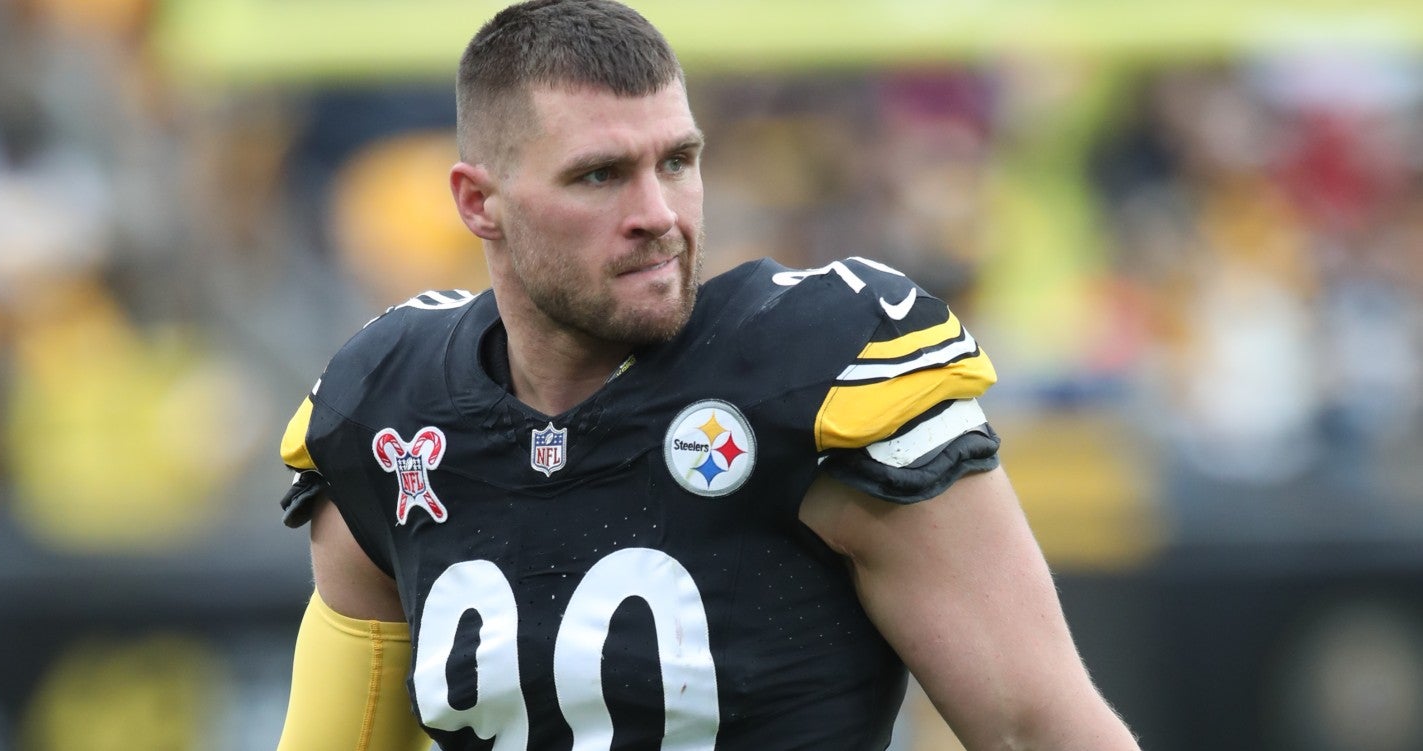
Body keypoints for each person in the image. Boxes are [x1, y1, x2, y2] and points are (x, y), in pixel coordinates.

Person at [274, 1, 1142, 749]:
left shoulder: (815, 377)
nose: (657, 215)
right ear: (477, 203)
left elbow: (1042, 730)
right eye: (600, 175)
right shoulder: (393, 413)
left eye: (678, 162)